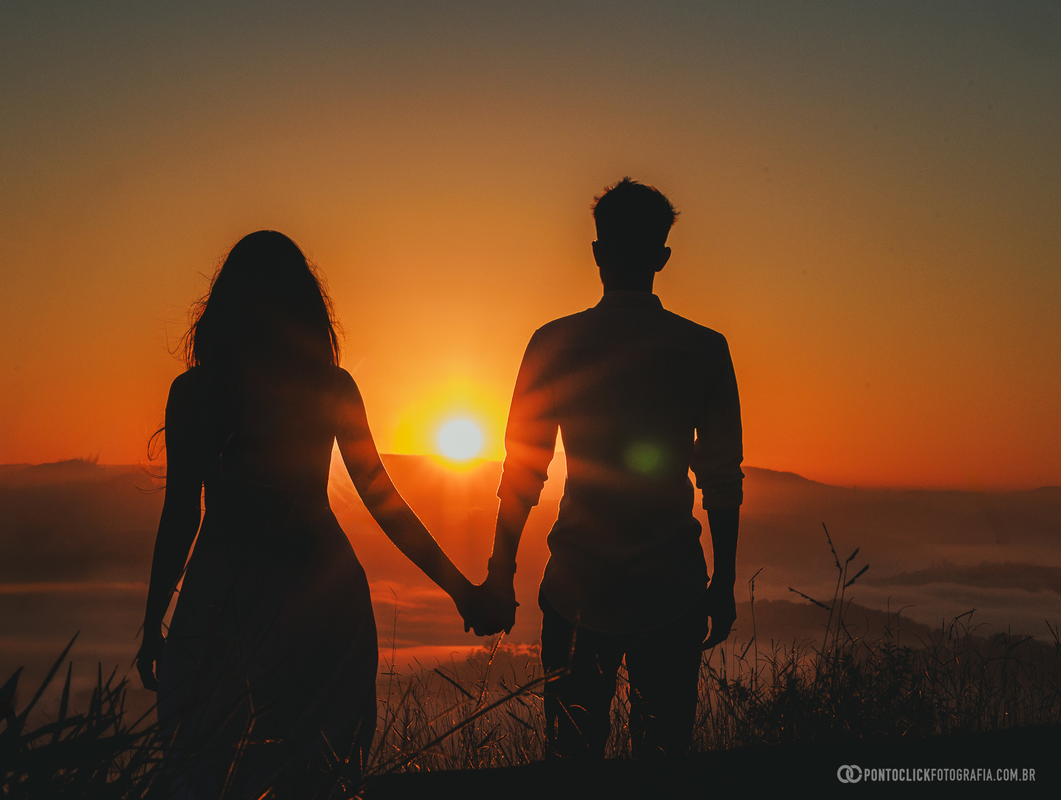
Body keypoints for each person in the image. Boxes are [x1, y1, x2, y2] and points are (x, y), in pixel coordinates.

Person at [134, 231, 481, 798]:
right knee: (320, 775)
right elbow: (384, 503)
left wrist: (154, 625)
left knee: (211, 770)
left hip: (225, 597)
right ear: (305, 307)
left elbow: (181, 516)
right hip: (321, 599)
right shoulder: (330, 388)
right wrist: (460, 589)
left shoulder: (194, 392)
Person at [475, 178, 744, 759]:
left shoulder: (554, 344)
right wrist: (721, 584)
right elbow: (721, 481)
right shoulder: (704, 350)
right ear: (662, 258)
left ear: (598, 251)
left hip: (577, 589)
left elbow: (523, 471)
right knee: (665, 763)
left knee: (570, 766)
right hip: (672, 591)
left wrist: (501, 573)